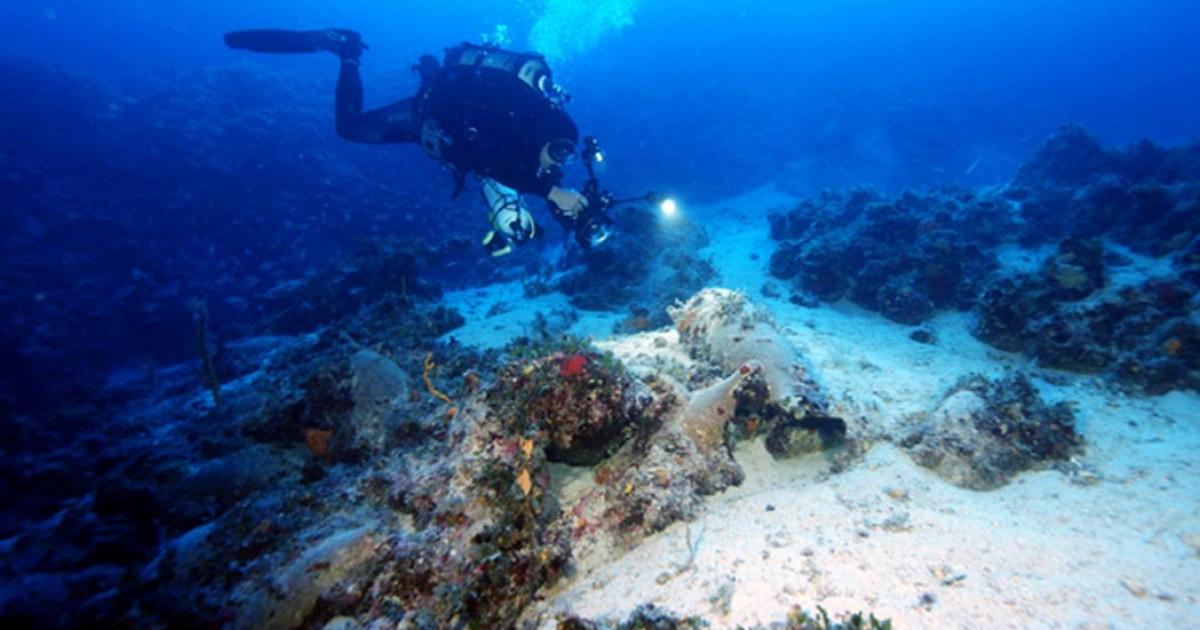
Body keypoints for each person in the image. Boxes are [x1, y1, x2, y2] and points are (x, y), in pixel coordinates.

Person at [225, 28, 591, 257]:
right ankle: (347, 50)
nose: (555, 162)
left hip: (443, 125)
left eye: (563, 157)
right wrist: (551, 193)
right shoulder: (513, 125)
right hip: (425, 118)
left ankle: (428, 68)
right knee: (350, 127)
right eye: (555, 151)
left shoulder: (535, 156)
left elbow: (509, 178)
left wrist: (570, 211)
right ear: (543, 128)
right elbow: (486, 161)